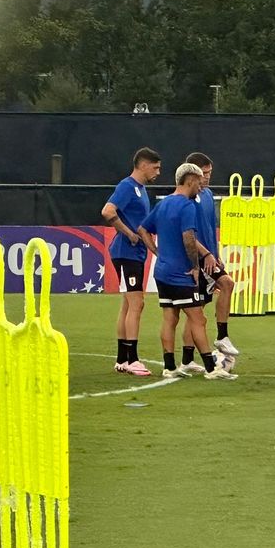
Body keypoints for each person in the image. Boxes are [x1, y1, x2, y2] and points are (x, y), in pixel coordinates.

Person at [137, 162, 237, 381]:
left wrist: (157, 252)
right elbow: (188, 238)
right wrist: (194, 266)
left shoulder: (163, 204)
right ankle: (211, 368)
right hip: (181, 274)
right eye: (199, 183)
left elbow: (143, 229)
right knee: (197, 319)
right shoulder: (186, 206)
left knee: (169, 318)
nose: (201, 188)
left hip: (162, 272)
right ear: (190, 181)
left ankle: (170, 367)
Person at [175, 152, 240, 374]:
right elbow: (189, 235)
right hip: (199, 259)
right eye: (204, 174)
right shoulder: (187, 198)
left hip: (211, 257)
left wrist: (217, 252)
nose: (207, 178)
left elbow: (210, 227)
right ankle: (220, 337)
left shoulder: (208, 194)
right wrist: (206, 255)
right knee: (201, 307)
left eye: (209, 173)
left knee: (202, 306)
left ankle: (187, 360)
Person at [102, 147, 161, 376]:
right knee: (137, 304)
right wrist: (128, 233)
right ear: (143, 165)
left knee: (128, 304)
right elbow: (108, 211)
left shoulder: (141, 189)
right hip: (126, 252)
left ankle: (122, 359)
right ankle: (133, 359)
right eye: (155, 167)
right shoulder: (127, 186)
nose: (158, 172)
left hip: (133, 253)